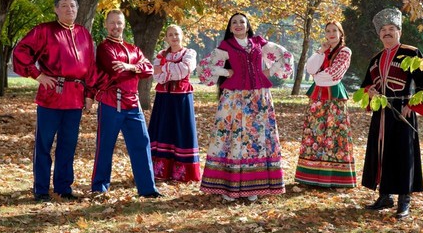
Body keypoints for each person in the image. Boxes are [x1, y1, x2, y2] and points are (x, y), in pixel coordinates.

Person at [197, 12, 294, 202]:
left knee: (256, 138)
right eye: (234, 22)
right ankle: (229, 186)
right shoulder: (226, 46)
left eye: (242, 21)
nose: (238, 25)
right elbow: (203, 67)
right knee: (232, 137)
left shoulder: (259, 43)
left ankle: (254, 186)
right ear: (230, 27)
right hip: (233, 98)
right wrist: (226, 71)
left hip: (258, 97)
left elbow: (286, 56)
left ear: (248, 25)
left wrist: (269, 70)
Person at [12, 0, 96, 202]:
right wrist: (37, 75)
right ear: (56, 9)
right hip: (51, 95)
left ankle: (63, 188)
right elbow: (20, 51)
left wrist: (90, 95)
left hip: (75, 98)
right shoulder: (45, 31)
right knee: (44, 144)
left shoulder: (84, 33)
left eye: (73, 6)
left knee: (68, 145)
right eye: (65, 6)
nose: (70, 10)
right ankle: (41, 189)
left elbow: (91, 68)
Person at [361, 8, 423, 218]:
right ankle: (385, 196)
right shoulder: (375, 58)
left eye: (391, 29)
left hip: (402, 110)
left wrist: (411, 105)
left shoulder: (411, 53)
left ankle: (404, 199)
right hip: (381, 113)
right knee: (382, 153)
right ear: (379, 34)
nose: (387, 32)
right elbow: (365, 85)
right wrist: (370, 91)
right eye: (383, 30)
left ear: (399, 31)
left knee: (403, 155)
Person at [90, 9, 161, 198]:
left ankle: (147, 188)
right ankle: (99, 187)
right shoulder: (104, 48)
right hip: (111, 103)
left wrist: (131, 67)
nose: (116, 27)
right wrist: (137, 69)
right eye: (112, 23)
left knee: (142, 144)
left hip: (133, 104)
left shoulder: (133, 49)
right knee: (105, 145)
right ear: (106, 25)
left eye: (119, 23)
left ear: (124, 25)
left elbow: (148, 69)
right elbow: (115, 72)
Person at [294, 21, 356, 188]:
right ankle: (311, 176)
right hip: (318, 98)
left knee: (334, 134)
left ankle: (335, 178)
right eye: (328, 30)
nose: (331, 34)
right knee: (315, 132)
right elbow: (310, 68)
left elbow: (335, 73)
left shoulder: (345, 51)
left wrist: (317, 77)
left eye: (334, 30)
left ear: (341, 33)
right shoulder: (323, 51)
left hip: (334, 99)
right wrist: (320, 51)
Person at [148, 24, 201, 182]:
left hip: (181, 98)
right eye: (170, 35)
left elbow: (184, 70)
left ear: (182, 36)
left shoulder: (189, 53)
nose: (174, 37)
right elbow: (157, 75)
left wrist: (165, 68)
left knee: (181, 130)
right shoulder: (160, 54)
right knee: (163, 129)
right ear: (166, 38)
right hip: (163, 99)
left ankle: (182, 172)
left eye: (176, 34)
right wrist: (170, 69)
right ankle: (160, 170)